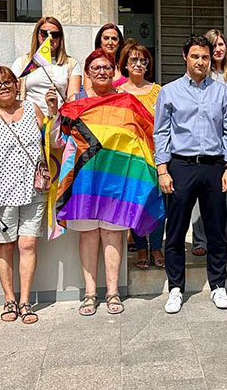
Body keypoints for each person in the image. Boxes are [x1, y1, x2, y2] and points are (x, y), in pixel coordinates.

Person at [155, 35, 227, 314]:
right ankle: (176, 288)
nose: (201, 61)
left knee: (216, 230)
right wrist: (163, 169)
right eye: (195, 56)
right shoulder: (170, 91)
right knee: (176, 231)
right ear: (185, 57)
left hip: (214, 166)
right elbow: (162, 132)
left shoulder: (221, 91)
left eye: (204, 56)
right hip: (181, 166)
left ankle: (217, 285)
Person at [0, 66, 46, 323]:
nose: (3, 87)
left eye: (8, 82)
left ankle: (25, 300)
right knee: (5, 246)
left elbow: (49, 141)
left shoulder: (32, 109)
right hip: (0, 190)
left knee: (28, 243)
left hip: (33, 189)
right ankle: (9, 299)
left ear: (17, 85)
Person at [62, 49, 129, 315]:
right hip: (84, 176)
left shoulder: (124, 101)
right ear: (88, 73)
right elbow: (60, 139)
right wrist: (56, 113)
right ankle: (90, 293)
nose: (102, 72)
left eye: (106, 67)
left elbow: (132, 136)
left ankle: (113, 292)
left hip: (114, 175)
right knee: (89, 234)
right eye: (96, 68)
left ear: (113, 72)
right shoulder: (76, 102)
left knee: (113, 232)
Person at [189, 28, 227, 257]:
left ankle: (224, 238)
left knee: (226, 195)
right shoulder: (201, 75)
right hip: (202, 144)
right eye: (213, 45)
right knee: (200, 196)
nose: (218, 49)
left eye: (221, 44)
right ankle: (200, 240)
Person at [116, 40, 165, 270]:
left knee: (157, 204)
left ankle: (156, 247)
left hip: (155, 157)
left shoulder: (158, 91)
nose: (138, 64)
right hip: (129, 158)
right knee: (135, 204)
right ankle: (141, 248)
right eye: (133, 60)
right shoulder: (117, 93)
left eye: (143, 60)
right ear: (124, 64)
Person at [12, 16, 82, 116]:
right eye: (45, 34)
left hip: (58, 120)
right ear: (37, 35)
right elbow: (13, 94)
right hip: (30, 120)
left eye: (55, 35)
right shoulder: (22, 62)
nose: (50, 38)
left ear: (60, 38)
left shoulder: (71, 64)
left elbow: (73, 99)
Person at [95, 23, 127, 88]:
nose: (110, 42)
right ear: (100, 42)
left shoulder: (125, 65)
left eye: (114, 39)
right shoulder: (92, 66)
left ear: (119, 43)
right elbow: (89, 95)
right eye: (106, 38)